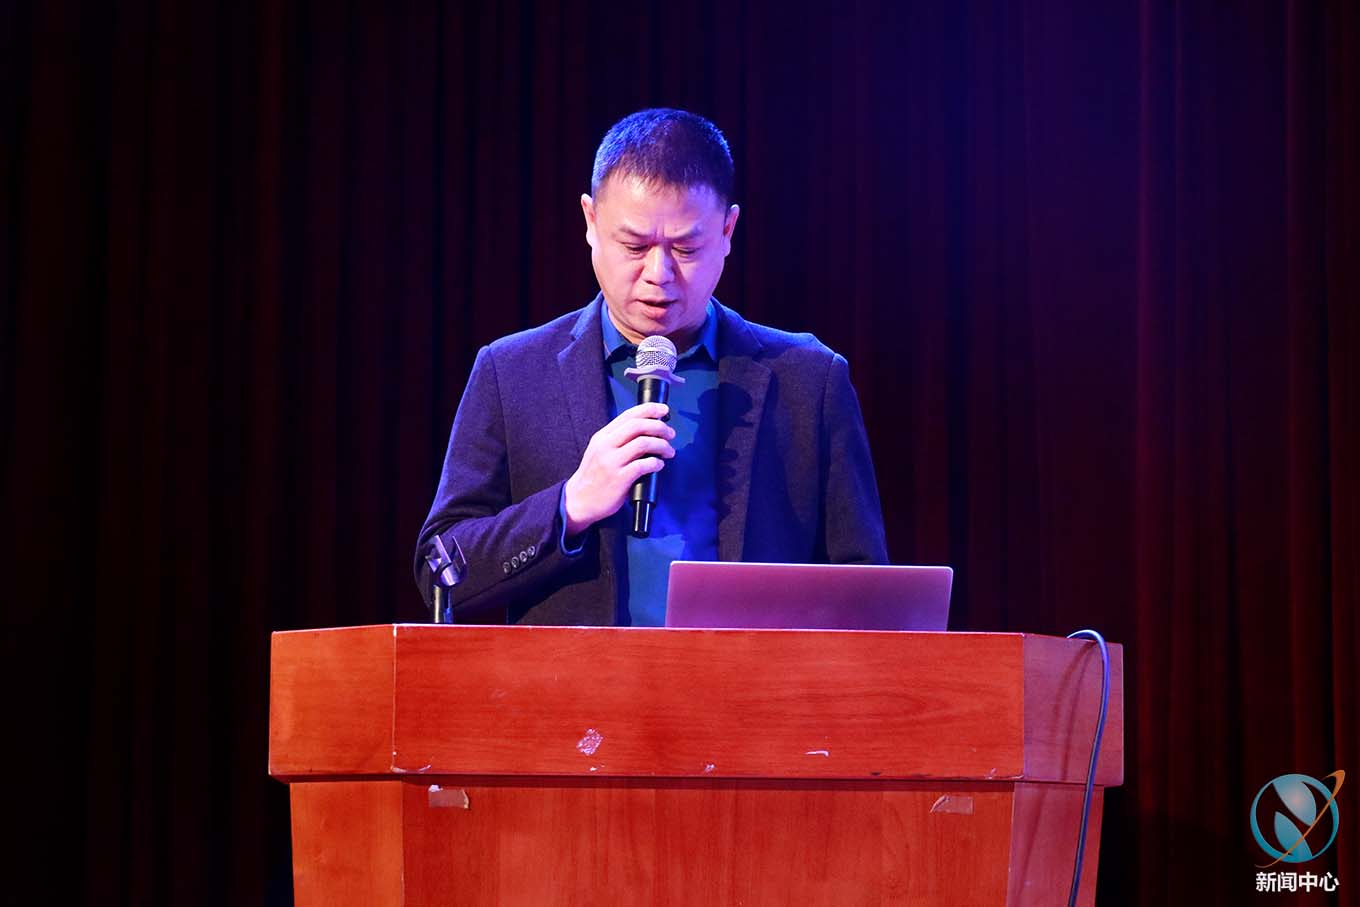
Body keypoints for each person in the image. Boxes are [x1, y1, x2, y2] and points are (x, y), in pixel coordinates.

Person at [415, 108, 886, 625]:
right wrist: (569, 506)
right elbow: (441, 572)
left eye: (686, 247)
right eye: (635, 246)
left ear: (728, 230)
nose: (658, 274)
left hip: (749, 676)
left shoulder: (809, 379)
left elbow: (865, 593)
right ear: (591, 222)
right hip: (573, 678)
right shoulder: (512, 372)